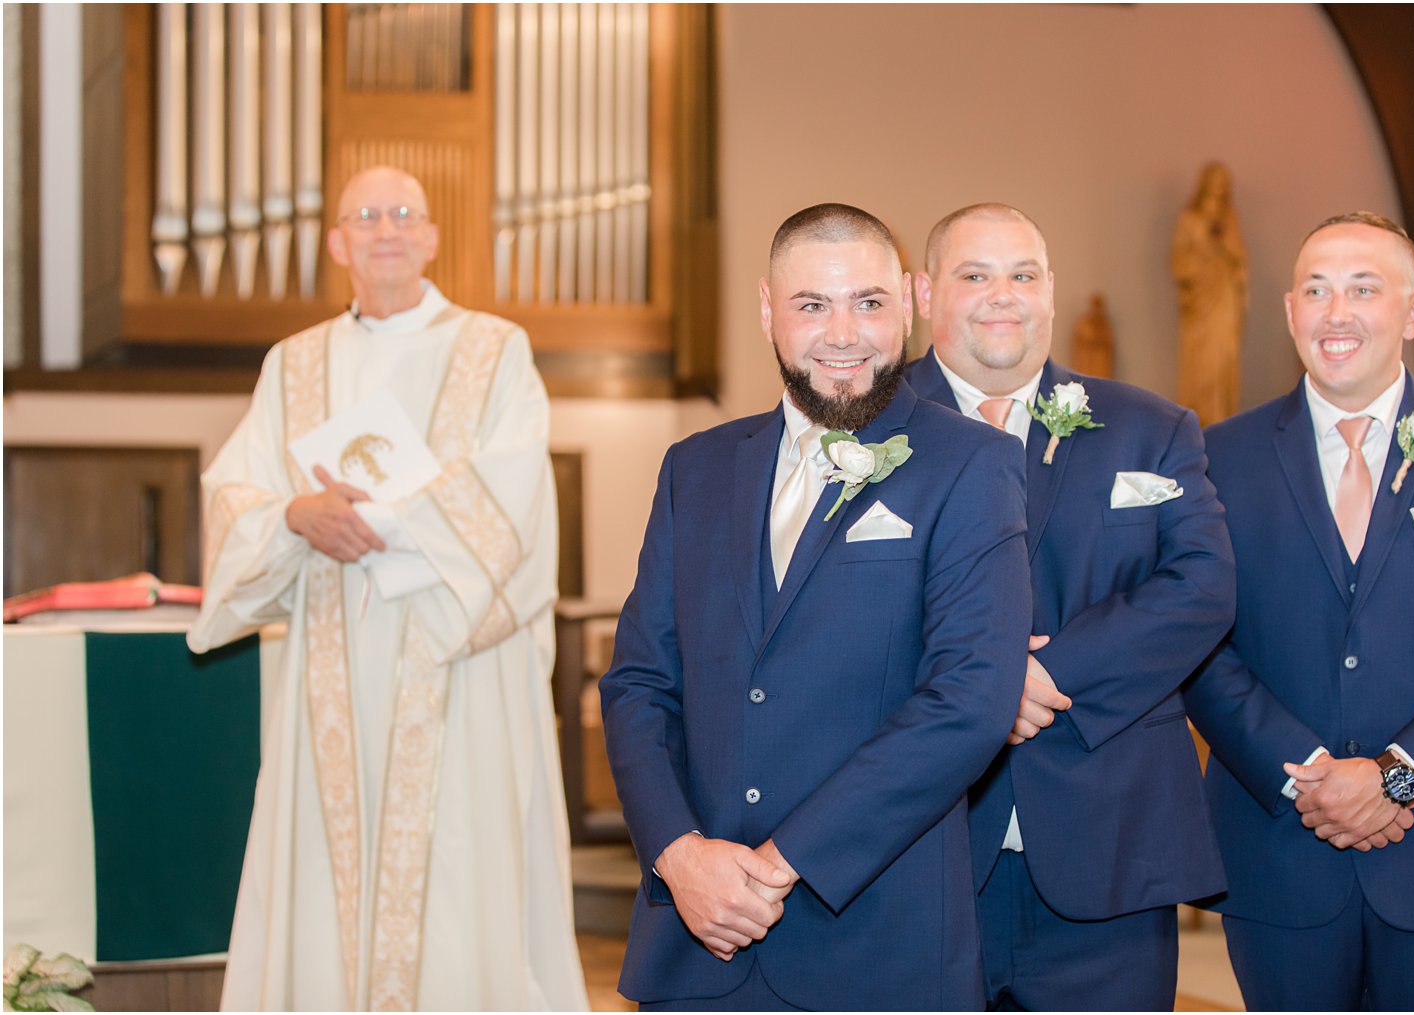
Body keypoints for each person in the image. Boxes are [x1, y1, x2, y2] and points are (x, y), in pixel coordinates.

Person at [600, 203, 1032, 1011]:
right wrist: (679, 853)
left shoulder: (972, 465)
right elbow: (639, 684)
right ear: (769, 309)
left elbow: (969, 699)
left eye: (868, 302)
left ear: (906, 301)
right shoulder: (694, 469)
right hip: (698, 941)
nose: (845, 333)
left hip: (877, 943)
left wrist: (780, 861)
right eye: (812, 305)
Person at [188, 166, 588, 1011]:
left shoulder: (494, 348)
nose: (387, 228)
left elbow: (515, 491)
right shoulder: (292, 364)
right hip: (330, 657)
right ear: (336, 241)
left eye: (405, 213)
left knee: (457, 869)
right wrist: (297, 512)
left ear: (433, 236)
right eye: (366, 215)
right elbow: (234, 495)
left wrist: (387, 524)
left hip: (453, 662)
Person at [905, 203, 1236, 1010]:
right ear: (923, 292)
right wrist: (983, 686)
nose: (1002, 295)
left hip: (1112, 849)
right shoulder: (867, 430)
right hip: (919, 854)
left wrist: (1044, 673)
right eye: (974, 275)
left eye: (1022, 274)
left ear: (1051, 289)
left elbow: (1202, 585)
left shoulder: (1149, 430)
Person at [1184, 212, 1414, 1010]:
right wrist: (1309, 778)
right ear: (1291, 310)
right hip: (1278, 851)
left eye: (1364, 289)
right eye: (1318, 290)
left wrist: (1399, 777)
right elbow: (1198, 640)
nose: (1337, 314)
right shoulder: (1213, 453)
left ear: (1413, 310)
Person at [1172, 161, 1248, 428]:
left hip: (1225, 295)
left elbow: (1240, 262)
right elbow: (1179, 262)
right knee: (1203, 363)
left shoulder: (1230, 220)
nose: (1218, 189)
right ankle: (1200, 418)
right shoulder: (1190, 219)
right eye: (1214, 182)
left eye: (1223, 183)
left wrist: (1224, 243)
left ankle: (1222, 415)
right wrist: (1202, 256)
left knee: (1224, 355)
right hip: (1201, 299)